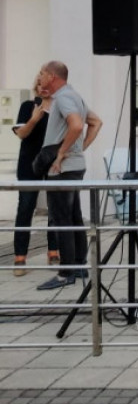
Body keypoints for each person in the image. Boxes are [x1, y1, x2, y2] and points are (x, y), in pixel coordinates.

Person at [33, 61, 102, 291]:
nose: (39, 77)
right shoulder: (74, 96)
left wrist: (62, 153)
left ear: (52, 76)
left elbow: (76, 126)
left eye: (42, 73)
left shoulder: (63, 98)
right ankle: (79, 266)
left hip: (61, 169)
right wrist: (78, 150)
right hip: (73, 167)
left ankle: (66, 273)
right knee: (73, 216)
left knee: (61, 219)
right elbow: (96, 122)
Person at [11, 75, 60, 276]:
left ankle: (53, 252)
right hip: (28, 165)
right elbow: (21, 134)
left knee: (55, 208)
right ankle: (20, 257)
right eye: (39, 84)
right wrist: (34, 119)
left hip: (52, 164)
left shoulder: (59, 109)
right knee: (25, 207)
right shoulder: (28, 106)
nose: (42, 87)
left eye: (46, 84)